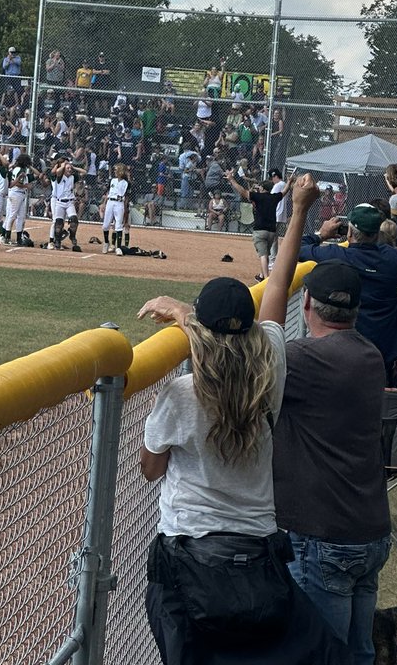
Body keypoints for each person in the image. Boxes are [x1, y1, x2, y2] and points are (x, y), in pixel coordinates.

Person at [138, 200, 351, 664]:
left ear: (199, 333)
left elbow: (151, 471)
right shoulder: (270, 365)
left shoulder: (179, 394)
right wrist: (298, 212)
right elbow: (277, 284)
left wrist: (181, 315)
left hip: (188, 558)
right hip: (258, 557)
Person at [259, 175, 392, 665]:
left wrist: (298, 213)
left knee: (319, 656)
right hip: (368, 533)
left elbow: (265, 326)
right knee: (355, 655)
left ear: (308, 304)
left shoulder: (310, 362)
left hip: (325, 538)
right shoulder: (369, 353)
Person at [299, 201, 397, 385]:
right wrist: (380, 246)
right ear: (377, 234)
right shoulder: (392, 261)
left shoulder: (337, 254)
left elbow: (300, 249)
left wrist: (321, 234)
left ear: (350, 232)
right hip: (381, 347)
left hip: (344, 343)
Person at [226, 172, 279, 281]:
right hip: (272, 231)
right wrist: (290, 182)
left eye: (260, 186)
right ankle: (261, 275)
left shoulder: (258, 196)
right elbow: (284, 191)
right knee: (266, 253)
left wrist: (231, 179)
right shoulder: (274, 197)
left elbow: (242, 190)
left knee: (263, 255)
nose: (258, 187)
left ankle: (265, 278)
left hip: (260, 230)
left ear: (263, 188)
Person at [47, 157, 82, 251]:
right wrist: (63, 164)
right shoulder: (59, 176)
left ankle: (72, 235)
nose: (69, 169)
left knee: (74, 220)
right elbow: (56, 172)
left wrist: (72, 167)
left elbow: (84, 172)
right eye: (68, 168)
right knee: (58, 223)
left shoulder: (72, 177)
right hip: (58, 201)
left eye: (69, 168)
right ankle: (55, 241)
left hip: (69, 202)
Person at [102, 163, 130, 255]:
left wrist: (126, 208)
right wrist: (104, 203)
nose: (114, 171)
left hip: (119, 203)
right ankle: (106, 242)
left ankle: (118, 247)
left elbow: (126, 196)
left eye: (116, 170)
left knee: (118, 225)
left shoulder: (126, 183)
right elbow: (107, 193)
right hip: (111, 201)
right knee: (106, 225)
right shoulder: (112, 180)